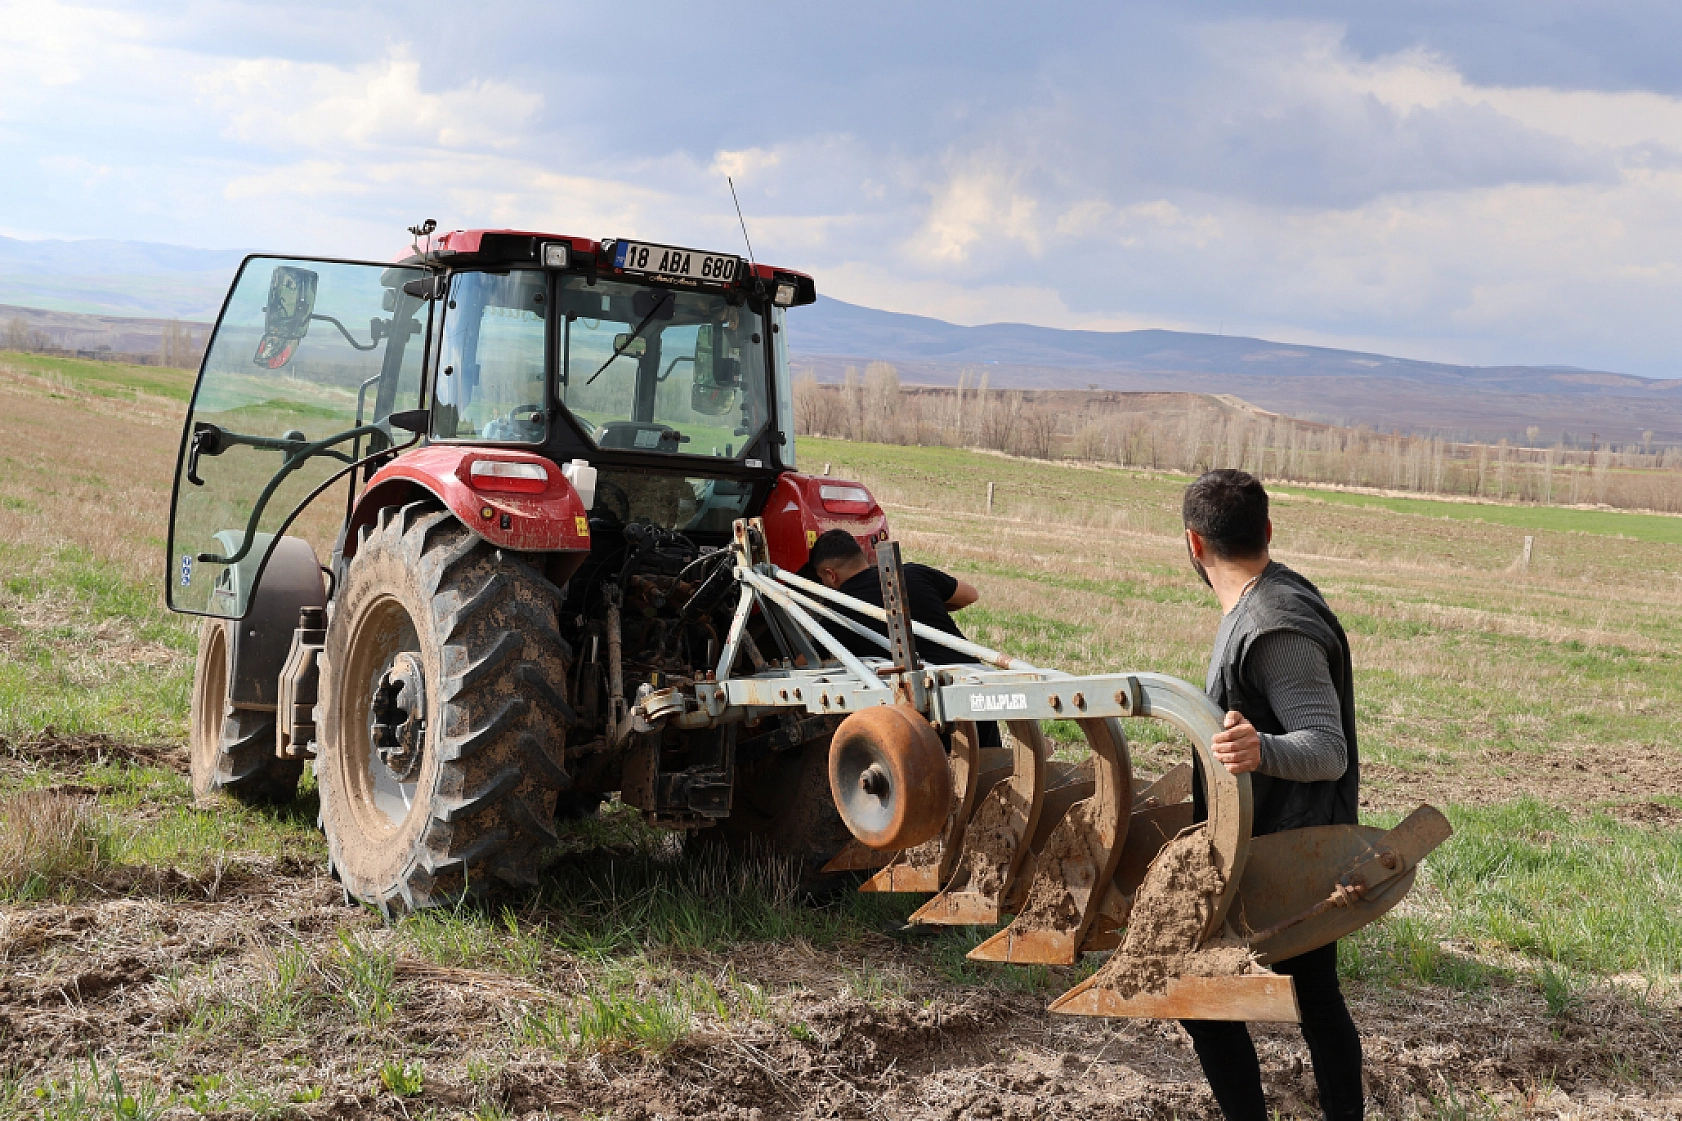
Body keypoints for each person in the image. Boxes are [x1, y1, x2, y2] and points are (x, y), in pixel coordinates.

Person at [1179, 469, 1364, 1121]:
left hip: (1288, 851)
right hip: (1283, 838)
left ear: (1194, 544)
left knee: (1198, 992)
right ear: (1267, 531)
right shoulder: (1264, 601)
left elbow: (1327, 746)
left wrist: (1263, 749)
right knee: (1313, 995)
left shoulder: (1275, 625)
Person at [802, 529, 980, 665]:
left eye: (822, 578)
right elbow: (969, 595)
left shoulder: (840, 613)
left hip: (931, 690)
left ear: (831, 574)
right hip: (974, 673)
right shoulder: (913, 572)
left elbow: (805, 662)